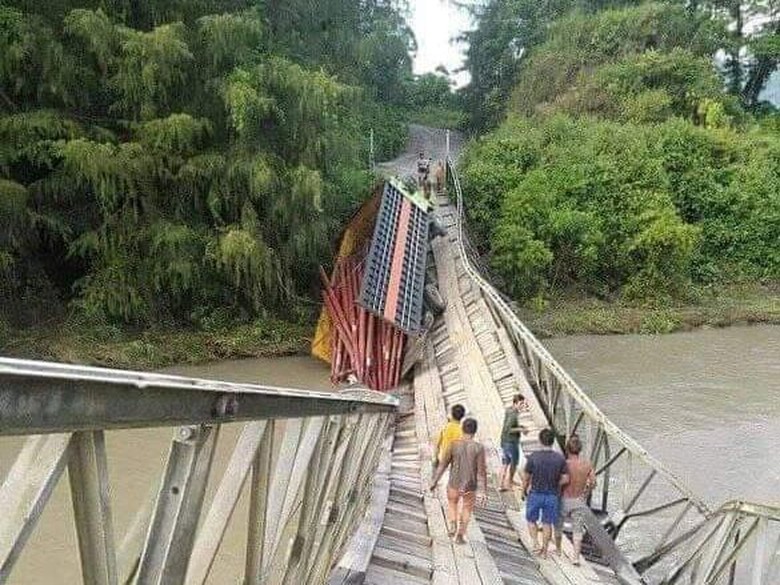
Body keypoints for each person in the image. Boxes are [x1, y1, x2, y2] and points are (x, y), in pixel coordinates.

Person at [429, 418, 487, 544]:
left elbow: (443, 465)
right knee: (466, 509)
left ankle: (452, 523)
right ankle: (460, 535)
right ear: (475, 431)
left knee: (452, 504)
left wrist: (434, 481)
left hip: (454, 482)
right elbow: (481, 472)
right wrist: (483, 491)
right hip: (470, 486)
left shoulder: (453, 445)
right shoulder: (478, 448)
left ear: (462, 429)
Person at [522, 428, 568, 558]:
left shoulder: (533, 457)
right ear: (553, 442)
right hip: (552, 495)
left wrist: (523, 490)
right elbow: (566, 479)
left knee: (531, 519)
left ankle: (535, 542)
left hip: (535, 493)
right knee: (547, 523)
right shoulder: (560, 459)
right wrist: (556, 483)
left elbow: (526, 477)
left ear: (540, 441)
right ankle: (545, 550)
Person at [555, 435, 595, 564]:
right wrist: (586, 494)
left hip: (564, 499)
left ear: (567, 449)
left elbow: (559, 482)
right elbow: (593, 482)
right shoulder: (587, 464)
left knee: (558, 526)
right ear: (580, 449)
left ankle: (558, 550)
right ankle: (576, 557)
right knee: (577, 529)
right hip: (579, 500)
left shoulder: (564, 464)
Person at [499, 394, 528, 491]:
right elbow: (509, 429)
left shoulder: (509, 410)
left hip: (504, 441)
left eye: (523, 403)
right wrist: (521, 429)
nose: (522, 405)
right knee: (513, 463)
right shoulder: (514, 414)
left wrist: (520, 427)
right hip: (511, 442)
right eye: (521, 403)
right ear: (515, 403)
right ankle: (509, 482)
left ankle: (501, 484)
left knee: (505, 463)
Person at [432, 403, 466, 468]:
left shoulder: (445, 427)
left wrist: (435, 459)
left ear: (451, 415)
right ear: (462, 416)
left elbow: (437, 445)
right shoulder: (462, 431)